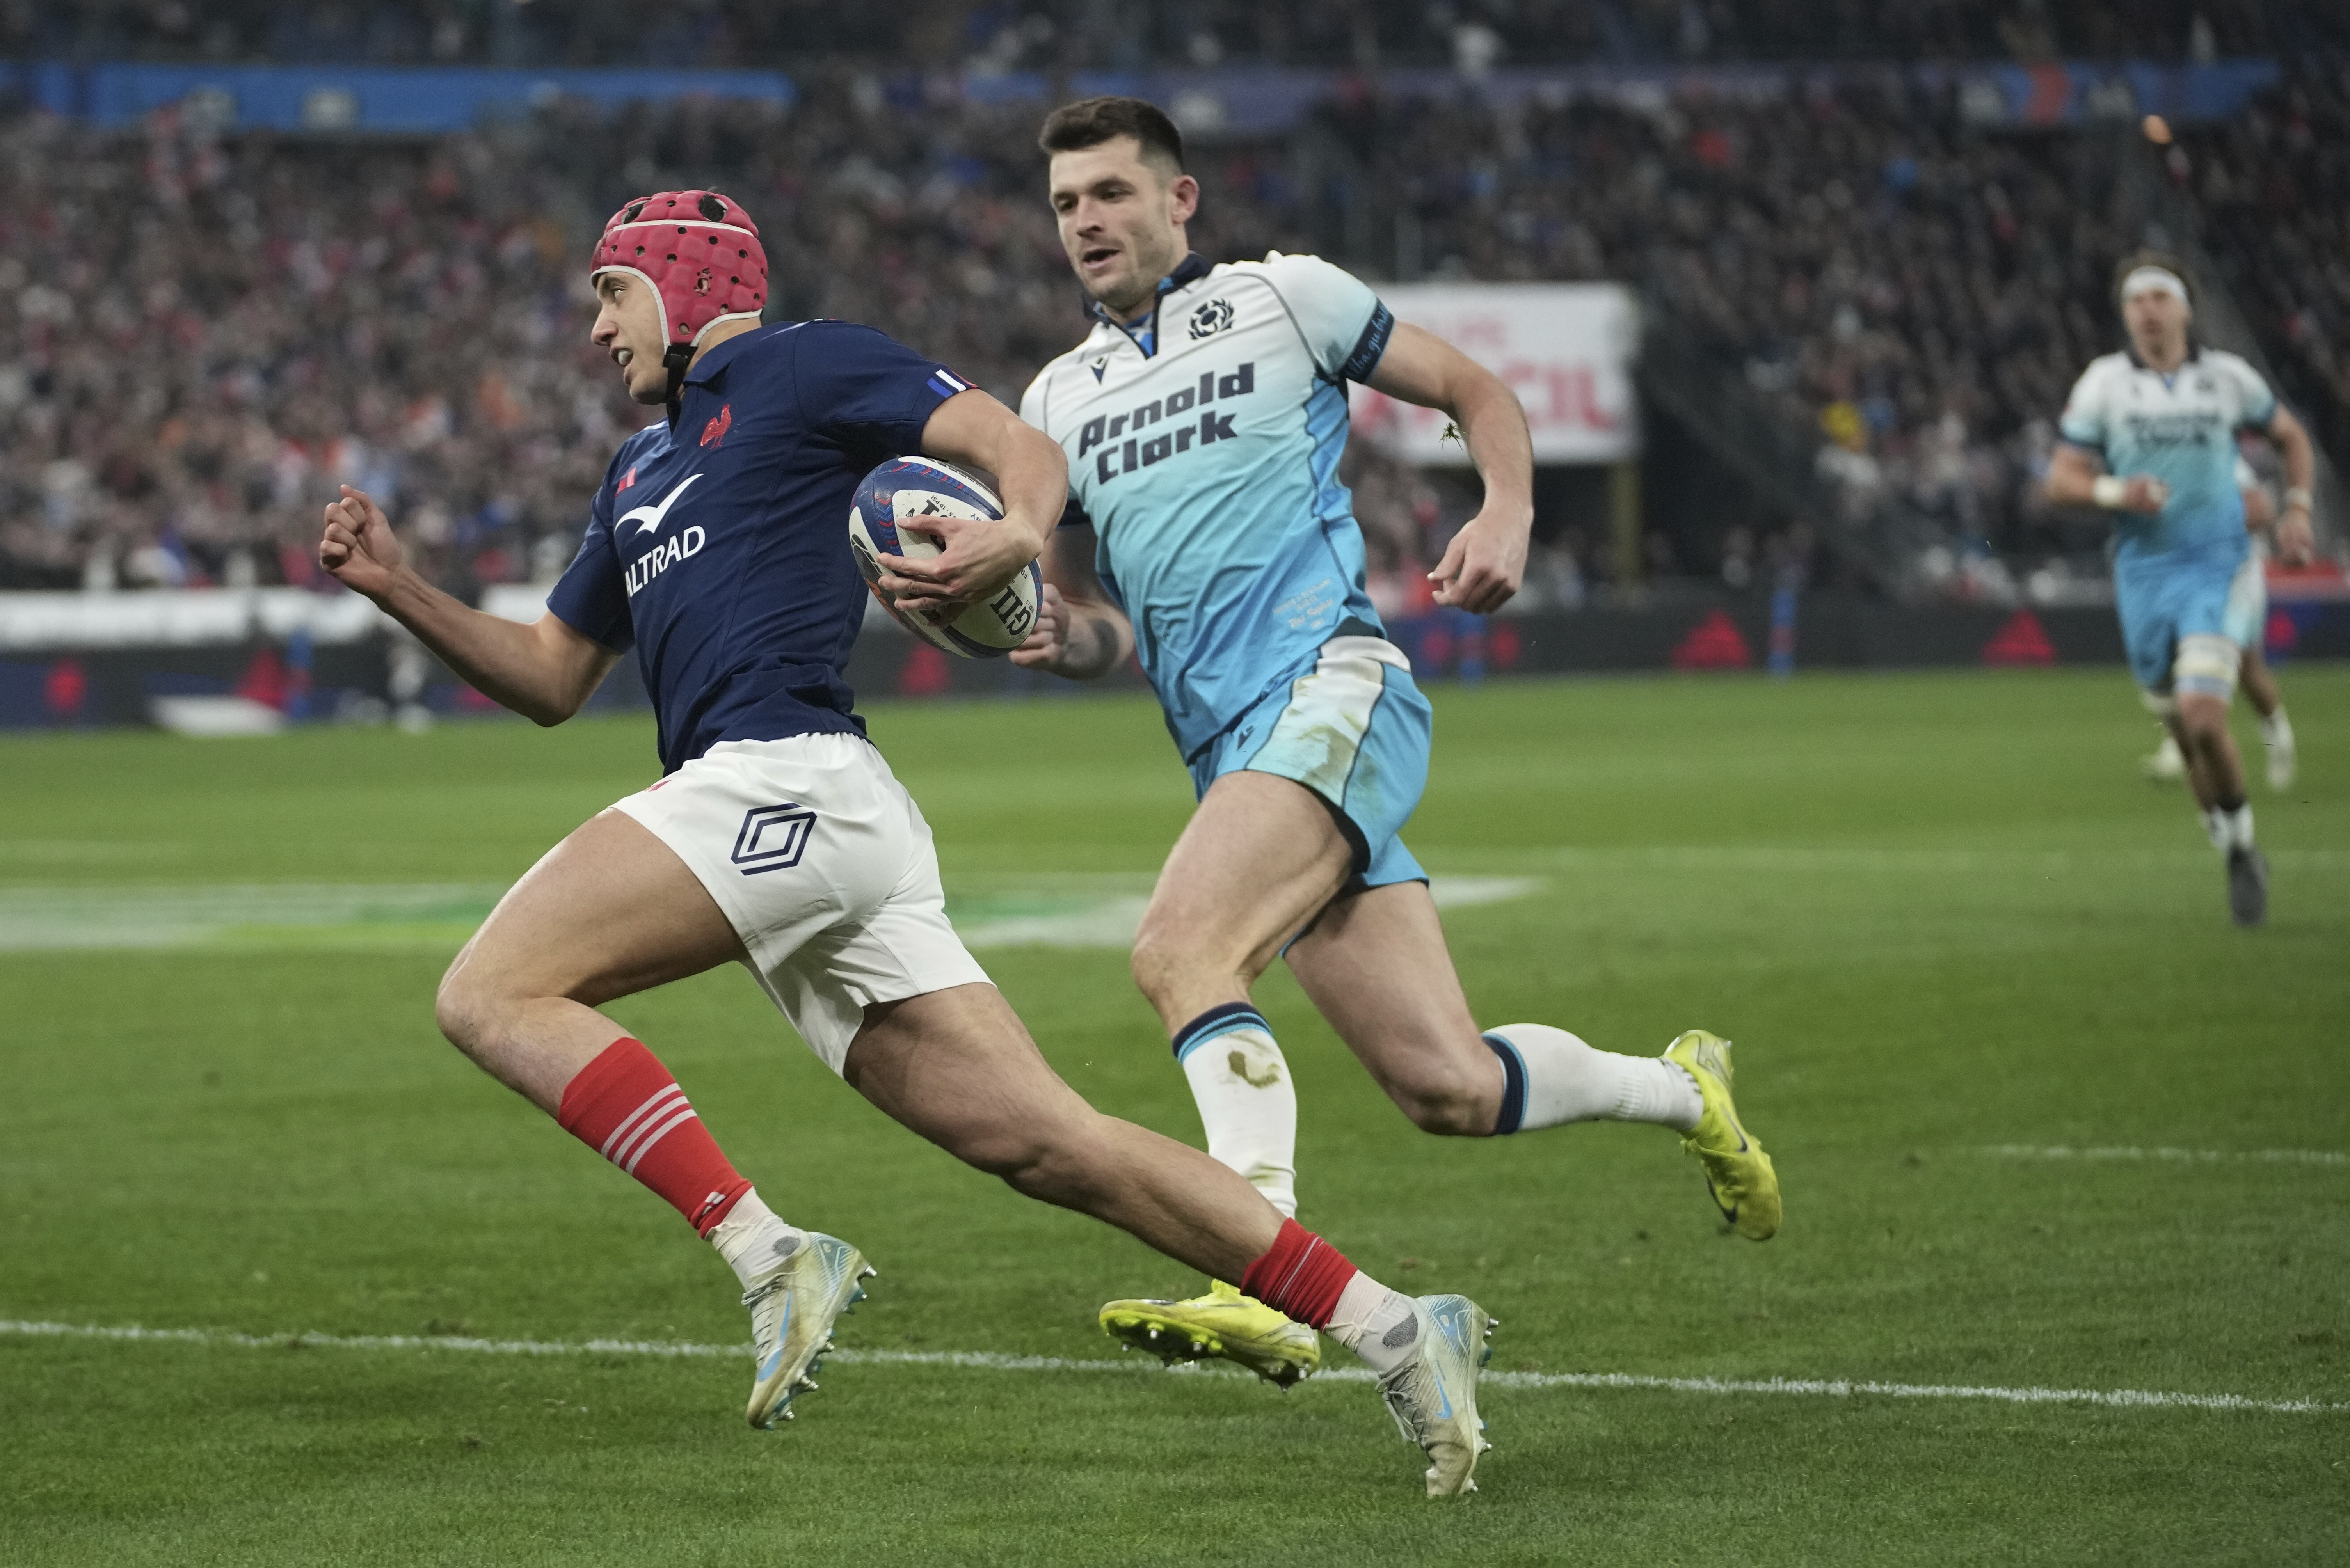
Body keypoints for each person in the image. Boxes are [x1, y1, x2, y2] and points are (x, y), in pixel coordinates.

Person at [317, 188, 1495, 1497]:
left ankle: (768, 1250)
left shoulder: (806, 362)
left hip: (791, 781)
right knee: (1055, 1143)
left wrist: (1021, 530)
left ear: (686, 282)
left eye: (610, 293)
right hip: (808, 829)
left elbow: (1010, 439)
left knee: (490, 988)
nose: (596, 329)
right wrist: (400, 589)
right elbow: (550, 673)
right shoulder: (638, 472)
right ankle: (1397, 1325)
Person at [921, 98, 1779, 1382]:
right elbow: (1100, 628)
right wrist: (1039, 628)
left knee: (1178, 948)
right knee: (1450, 1084)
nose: (1086, 221)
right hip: (1237, 758)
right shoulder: (1058, 399)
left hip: (1334, 686)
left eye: (1109, 192)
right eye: (1064, 205)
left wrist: (1506, 510)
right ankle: (1684, 1088)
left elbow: (1473, 388)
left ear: (1180, 198)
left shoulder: (1286, 299)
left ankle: (1257, 1273)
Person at [2049, 253, 2316, 925]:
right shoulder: (2104, 385)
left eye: (2160, 296)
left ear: (2184, 308)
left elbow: (2289, 438)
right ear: (2125, 312)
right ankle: (2235, 849)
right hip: (2142, 578)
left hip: (2215, 567)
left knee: (2203, 718)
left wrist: (2297, 510)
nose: (2147, 308)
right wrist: (2116, 490)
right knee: (2184, 732)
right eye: (2136, 298)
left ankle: (2245, 841)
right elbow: (2060, 480)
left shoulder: (2224, 378)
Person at [2140, 457, 2295, 788]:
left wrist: (2204, 528)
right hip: (2187, 577)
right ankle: (2185, 740)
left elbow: (2260, 511)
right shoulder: (2161, 460)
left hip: (2234, 577)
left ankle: (2278, 739)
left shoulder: (2222, 458)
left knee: (2247, 665)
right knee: (2180, 655)